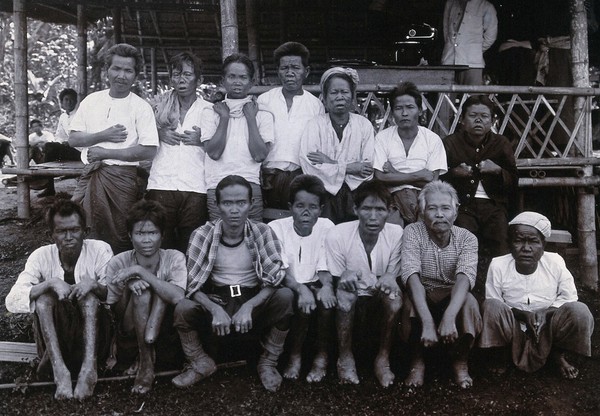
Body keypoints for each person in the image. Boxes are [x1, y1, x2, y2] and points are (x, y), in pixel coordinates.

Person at [173, 175, 293, 392]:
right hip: (219, 299)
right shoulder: (202, 234)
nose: (235, 210)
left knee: (285, 297)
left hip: (252, 298)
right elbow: (190, 285)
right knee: (183, 308)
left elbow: (275, 278)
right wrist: (214, 308)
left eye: (241, 203)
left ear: (251, 204)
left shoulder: (263, 232)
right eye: (228, 203)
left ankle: (268, 362)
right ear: (218, 206)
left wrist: (250, 305)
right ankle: (200, 361)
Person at [5, 198, 113, 400]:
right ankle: (59, 371)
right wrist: (50, 283)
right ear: (50, 235)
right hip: (56, 342)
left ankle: (89, 369)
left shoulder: (100, 250)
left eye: (75, 230)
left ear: (85, 231)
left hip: (93, 339)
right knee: (43, 298)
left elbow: (115, 295)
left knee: (89, 297)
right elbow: (12, 300)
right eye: (62, 232)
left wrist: (95, 286)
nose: (69, 237)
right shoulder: (40, 256)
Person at [479, 211, 594, 379]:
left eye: (533, 241)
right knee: (490, 306)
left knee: (579, 311)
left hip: (548, 326)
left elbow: (569, 298)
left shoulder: (555, 262)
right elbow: (495, 302)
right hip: (514, 326)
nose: (526, 248)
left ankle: (557, 355)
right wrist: (523, 315)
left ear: (543, 245)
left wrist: (545, 313)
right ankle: (502, 354)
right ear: (510, 244)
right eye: (519, 241)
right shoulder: (498, 265)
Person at [69, 43, 159, 254]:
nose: (121, 75)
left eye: (128, 70)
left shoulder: (140, 107)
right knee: (84, 228)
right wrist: (103, 136)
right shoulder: (92, 101)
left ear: (135, 75)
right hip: (91, 176)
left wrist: (106, 152)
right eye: (116, 69)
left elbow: (148, 150)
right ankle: (90, 277)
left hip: (122, 179)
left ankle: (120, 278)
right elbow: (73, 139)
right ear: (107, 70)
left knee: (121, 233)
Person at [400, 180, 480, 389]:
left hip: (451, 294)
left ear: (455, 211)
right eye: (432, 208)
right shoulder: (413, 232)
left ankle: (460, 361)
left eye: (445, 208)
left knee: (469, 302)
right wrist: (427, 322)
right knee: (409, 301)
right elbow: (411, 276)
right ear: (422, 211)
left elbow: (465, 278)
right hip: (423, 291)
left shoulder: (467, 238)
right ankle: (417, 362)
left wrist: (450, 316)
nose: (439, 214)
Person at [324, 180, 403, 387]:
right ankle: (345, 358)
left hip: (377, 297)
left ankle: (383, 359)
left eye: (380, 210)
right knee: (345, 293)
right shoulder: (338, 234)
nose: (373, 217)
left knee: (394, 300)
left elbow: (390, 279)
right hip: (352, 298)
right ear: (355, 209)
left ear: (390, 211)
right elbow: (336, 277)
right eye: (367, 209)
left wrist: (389, 277)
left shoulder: (396, 234)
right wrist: (344, 276)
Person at [106, 199, 187, 394]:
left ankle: (146, 361)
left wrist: (139, 272)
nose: (147, 239)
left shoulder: (174, 257)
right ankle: (146, 361)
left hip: (163, 328)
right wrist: (130, 285)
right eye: (140, 233)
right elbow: (112, 307)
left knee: (157, 290)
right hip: (129, 330)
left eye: (152, 233)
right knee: (141, 291)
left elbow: (177, 297)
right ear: (130, 236)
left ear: (162, 235)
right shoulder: (118, 262)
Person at [442, 95, 518, 296]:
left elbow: (514, 180)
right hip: (462, 206)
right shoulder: (450, 143)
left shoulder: (501, 143)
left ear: (492, 121)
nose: (479, 120)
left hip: (494, 206)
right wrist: (453, 173)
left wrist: (497, 170)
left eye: (484, 116)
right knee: (464, 239)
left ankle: (500, 292)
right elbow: (438, 177)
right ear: (462, 120)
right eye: (473, 115)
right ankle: (465, 290)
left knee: (501, 242)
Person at [268, 174, 336, 383]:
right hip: (288, 284)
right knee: (301, 304)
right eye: (300, 206)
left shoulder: (327, 226)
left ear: (321, 209)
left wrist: (326, 286)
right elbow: (282, 269)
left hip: (315, 281)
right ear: (290, 207)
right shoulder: (276, 228)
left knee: (326, 304)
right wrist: (300, 288)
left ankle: (321, 355)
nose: (306, 212)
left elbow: (325, 265)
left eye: (313, 207)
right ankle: (295, 356)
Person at [146, 52, 211, 253]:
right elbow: (139, 135)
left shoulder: (209, 111)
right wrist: (158, 133)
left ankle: (186, 285)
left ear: (199, 80)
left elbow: (220, 146)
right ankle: (159, 284)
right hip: (161, 184)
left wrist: (203, 140)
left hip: (196, 186)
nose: (181, 80)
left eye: (187, 75)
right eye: (176, 75)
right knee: (161, 241)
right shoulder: (156, 109)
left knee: (190, 244)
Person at [201, 53, 274, 222]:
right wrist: (224, 118)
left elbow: (259, 155)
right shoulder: (211, 112)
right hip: (217, 184)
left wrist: (250, 119)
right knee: (219, 236)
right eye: (231, 76)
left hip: (250, 183)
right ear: (223, 81)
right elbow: (214, 153)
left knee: (253, 236)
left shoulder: (262, 113)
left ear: (252, 81)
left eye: (243, 77)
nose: (237, 82)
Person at [299, 67, 374, 224]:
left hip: (356, 193)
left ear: (353, 97)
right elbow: (310, 166)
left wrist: (330, 163)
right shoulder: (314, 125)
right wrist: (349, 168)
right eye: (334, 93)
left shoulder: (363, 125)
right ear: (325, 99)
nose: (340, 97)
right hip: (323, 194)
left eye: (345, 92)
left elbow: (367, 169)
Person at [258, 42, 325, 209]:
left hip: (300, 176)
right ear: (278, 71)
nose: (290, 73)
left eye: (295, 67)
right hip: (269, 176)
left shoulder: (315, 105)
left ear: (306, 71)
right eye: (284, 68)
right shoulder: (264, 100)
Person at [374, 81, 447, 226]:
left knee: (424, 233)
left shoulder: (432, 139)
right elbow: (379, 177)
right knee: (393, 232)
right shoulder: (382, 137)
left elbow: (432, 181)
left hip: (424, 198)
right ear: (392, 112)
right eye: (399, 108)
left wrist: (394, 173)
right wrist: (418, 175)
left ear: (420, 110)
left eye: (410, 107)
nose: (404, 113)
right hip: (391, 198)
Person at [37, 88, 82, 198]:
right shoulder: (63, 117)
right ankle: (50, 188)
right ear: (62, 102)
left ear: (76, 102)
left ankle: (47, 185)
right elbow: (59, 135)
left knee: (49, 147)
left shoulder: (81, 115)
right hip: (69, 149)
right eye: (66, 100)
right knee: (49, 147)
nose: (69, 102)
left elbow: (84, 135)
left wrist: (69, 142)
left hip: (81, 150)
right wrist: (59, 144)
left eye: (72, 100)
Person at [441, 0, 498, 85]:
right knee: (445, 96)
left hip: (472, 63)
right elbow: (446, 30)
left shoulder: (486, 6)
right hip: (449, 60)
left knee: (472, 97)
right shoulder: (450, 3)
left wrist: (475, 50)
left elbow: (491, 36)